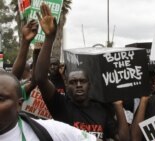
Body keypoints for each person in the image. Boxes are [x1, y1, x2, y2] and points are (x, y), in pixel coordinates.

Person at [34, 3, 129, 141]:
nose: (78, 84)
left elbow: (123, 139)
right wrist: (49, 38)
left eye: (82, 81)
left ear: (89, 84)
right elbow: (41, 78)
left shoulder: (101, 110)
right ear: (66, 84)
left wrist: (118, 107)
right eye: (73, 82)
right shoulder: (62, 106)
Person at [0, 71, 96, 141]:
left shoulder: (51, 131)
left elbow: (40, 79)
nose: (78, 85)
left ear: (19, 104)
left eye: (0, 99)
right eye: (73, 82)